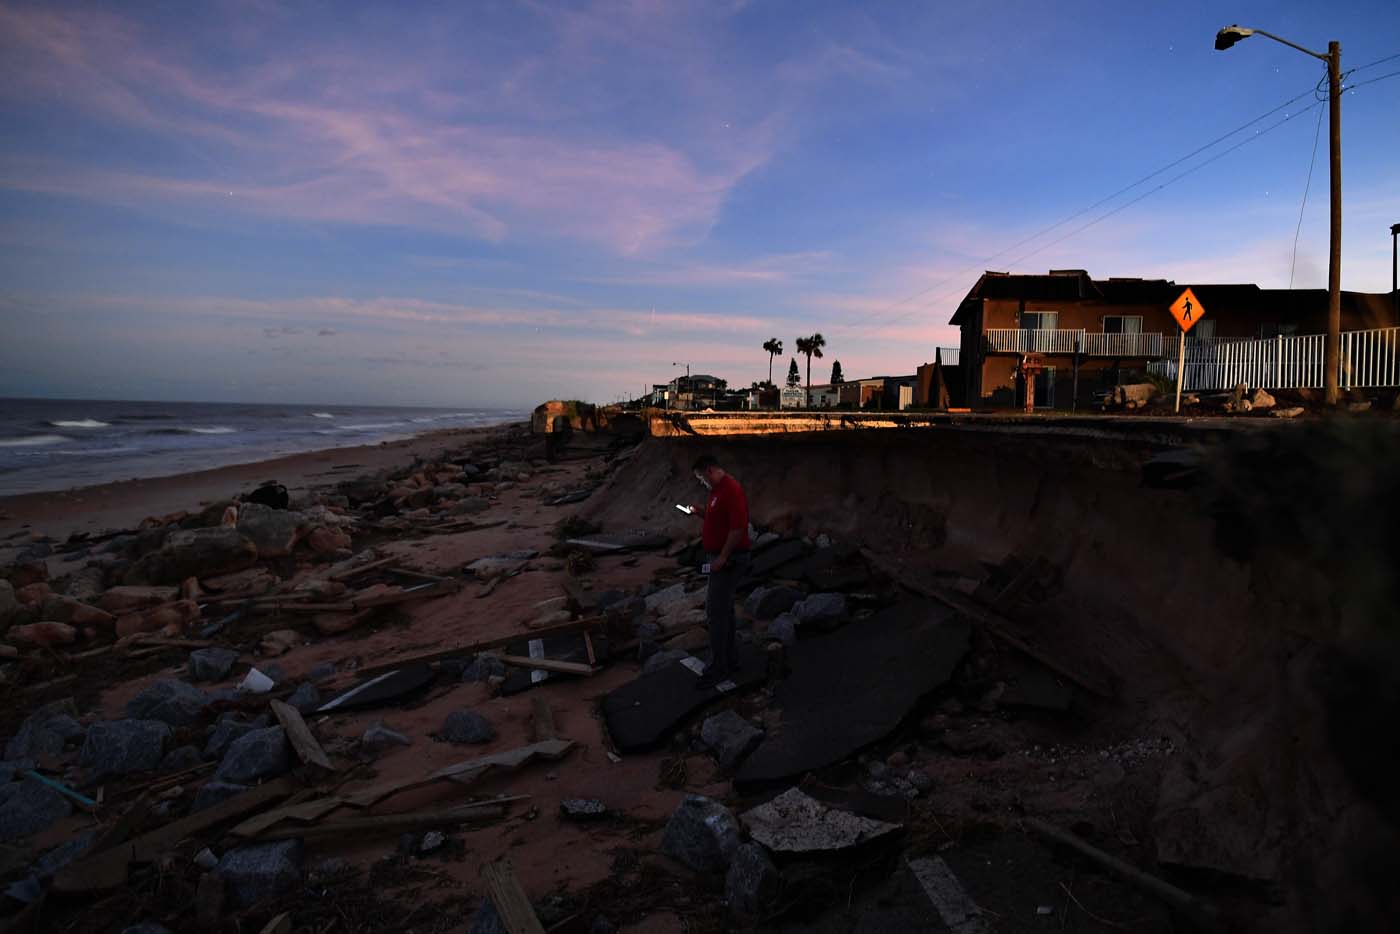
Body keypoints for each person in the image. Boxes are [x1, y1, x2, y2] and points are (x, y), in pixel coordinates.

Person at [687, 454, 751, 687]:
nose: (702, 482)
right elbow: (719, 519)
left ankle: (718, 666)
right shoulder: (717, 491)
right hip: (720, 557)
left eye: (702, 477)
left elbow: (738, 528)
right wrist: (700, 512)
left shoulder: (731, 489)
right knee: (725, 611)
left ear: (712, 470)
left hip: (729, 559)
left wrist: (723, 557)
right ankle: (730, 660)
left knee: (715, 612)